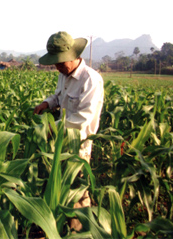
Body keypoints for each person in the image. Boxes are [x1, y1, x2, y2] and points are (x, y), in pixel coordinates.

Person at [33, 31, 104, 231]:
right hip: (60, 142)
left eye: (60, 62)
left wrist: (52, 128)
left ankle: (78, 232)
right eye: (54, 63)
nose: (57, 67)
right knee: (59, 185)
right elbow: (59, 97)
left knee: (77, 192)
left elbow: (83, 117)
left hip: (79, 145)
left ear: (74, 56)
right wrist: (46, 103)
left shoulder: (91, 80)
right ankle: (58, 225)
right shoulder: (64, 74)